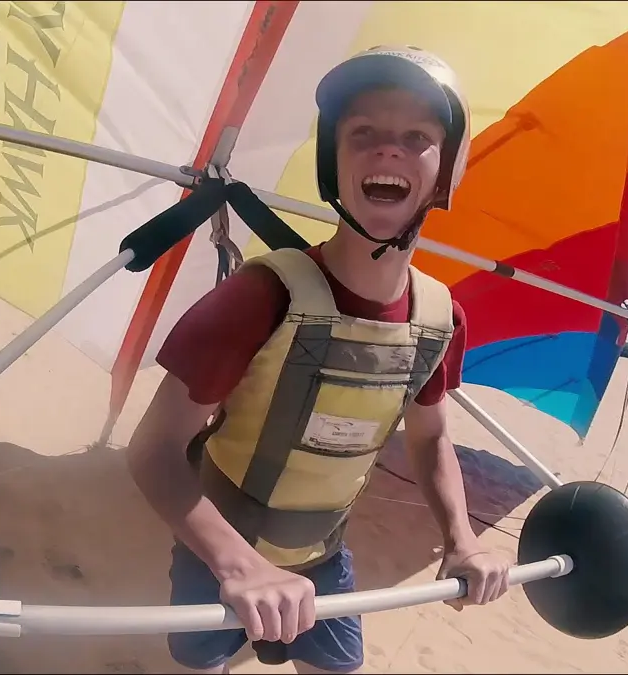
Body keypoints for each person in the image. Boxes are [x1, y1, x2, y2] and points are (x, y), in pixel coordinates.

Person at [125, 46, 512, 675]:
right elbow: (154, 449)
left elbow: (432, 437)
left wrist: (460, 541)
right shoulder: (262, 295)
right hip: (220, 553)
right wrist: (236, 564)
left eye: (416, 136)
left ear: (443, 172)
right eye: (363, 133)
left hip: (323, 559)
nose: (388, 150)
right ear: (333, 160)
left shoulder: (440, 317)